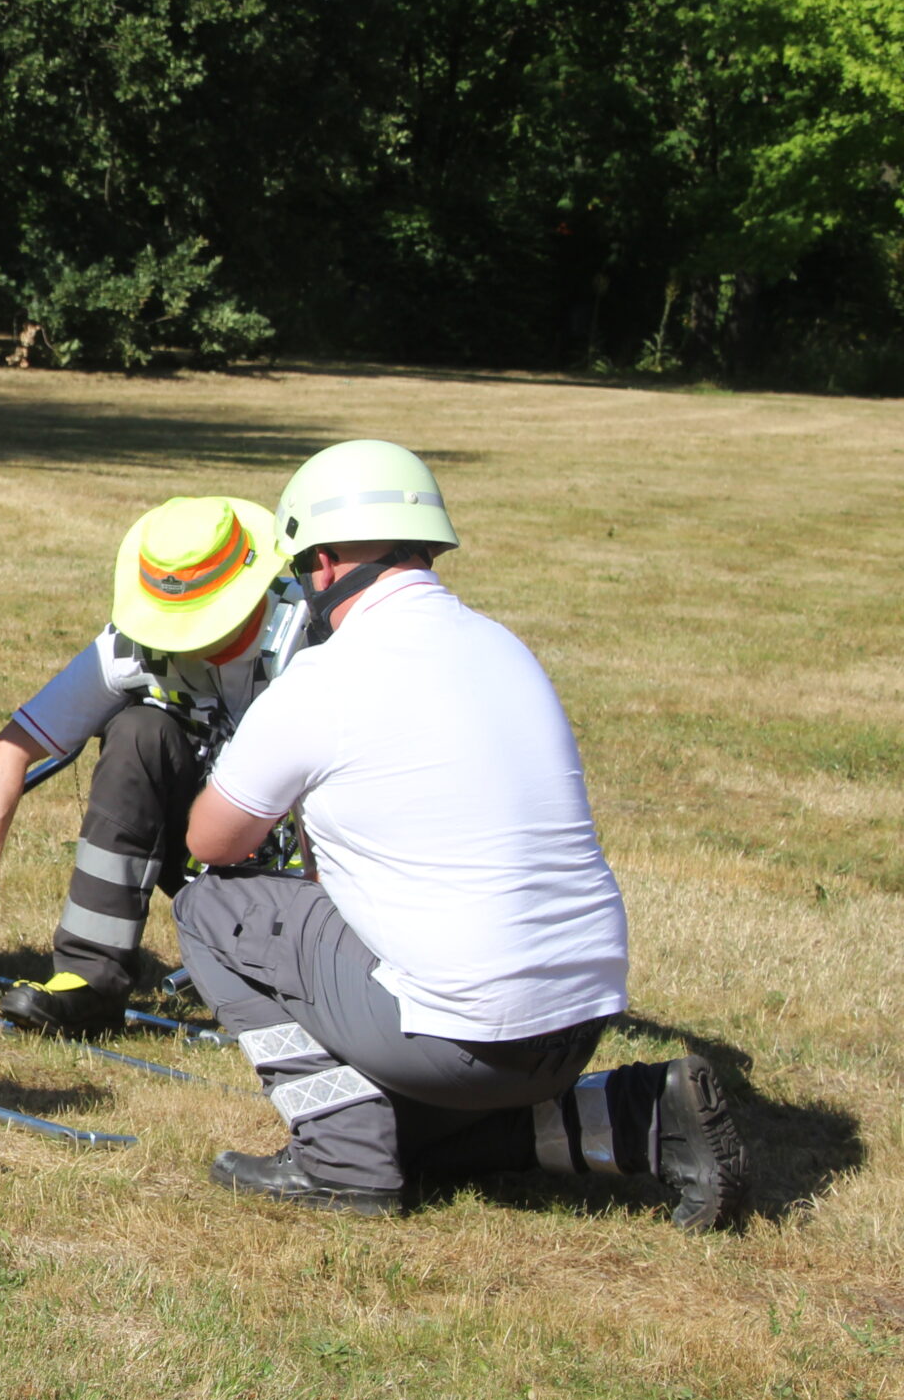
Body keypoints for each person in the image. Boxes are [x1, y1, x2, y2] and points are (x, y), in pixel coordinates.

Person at [174, 440, 748, 1227]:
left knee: (210, 908)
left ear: (325, 564)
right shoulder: (502, 645)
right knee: (423, 1149)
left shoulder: (326, 677)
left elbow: (213, 840)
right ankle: (647, 1111)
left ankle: (341, 1153)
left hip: (464, 1035)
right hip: (577, 1021)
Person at [0, 496, 304, 1033]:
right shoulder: (134, 644)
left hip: (305, 860)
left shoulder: (315, 638)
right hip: (201, 843)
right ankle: (90, 981)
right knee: (139, 732)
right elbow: (9, 749)